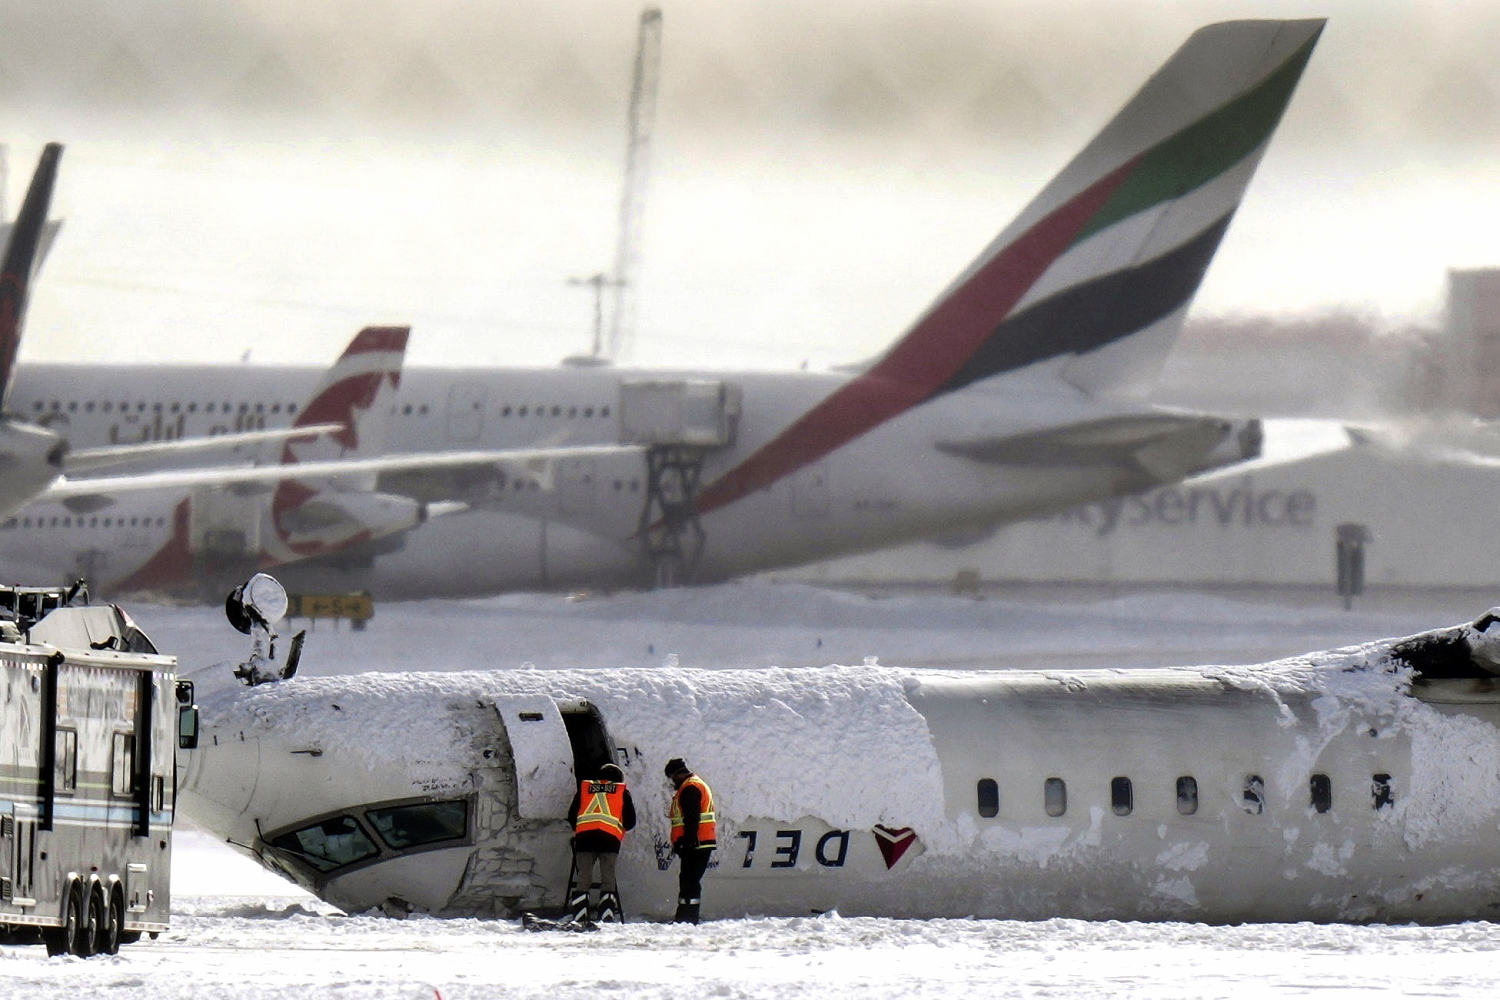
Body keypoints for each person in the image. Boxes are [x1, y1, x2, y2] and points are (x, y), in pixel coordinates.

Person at [566, 762, 635, 923]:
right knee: (608, 878)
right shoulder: (622, 792)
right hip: (609, 840)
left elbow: (571, 815)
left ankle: (580, 915)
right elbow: (630, 822)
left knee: (583, 877)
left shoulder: (585, 789)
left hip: (584, 839)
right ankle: (606, 915)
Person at [664, 757, 716, 924]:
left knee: (689, 881)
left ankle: (687, 917)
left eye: (672, 778)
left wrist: (687, 841)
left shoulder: (690, 788)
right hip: (701, 841)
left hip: (696, 843)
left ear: (678, 774)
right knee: (688, 879)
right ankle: (686, 916)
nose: (673, 782)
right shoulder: (696, 784)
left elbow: (691, 818)